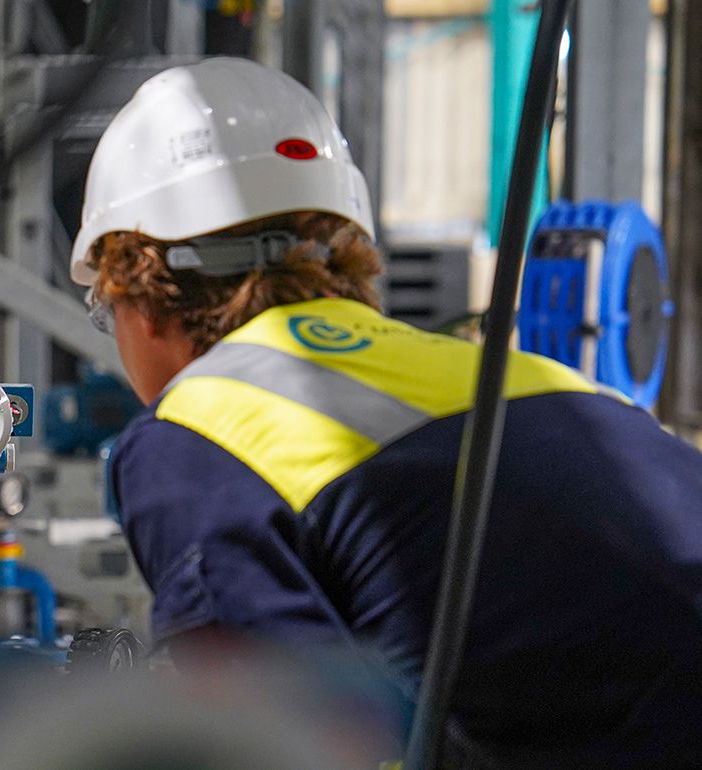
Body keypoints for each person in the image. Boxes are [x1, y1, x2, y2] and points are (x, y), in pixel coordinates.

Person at [71, 57, 702, 766]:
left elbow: (281, 742)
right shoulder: (521, 378)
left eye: (106, 314)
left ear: (142, 297)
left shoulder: (192, 436)